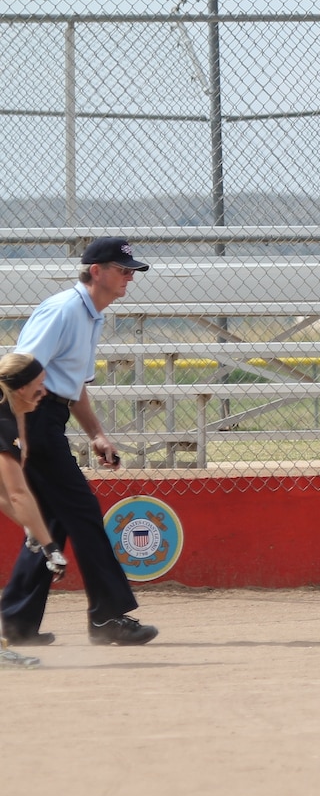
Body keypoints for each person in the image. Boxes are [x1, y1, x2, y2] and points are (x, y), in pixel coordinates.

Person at [1, 237, 157, 648]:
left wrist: (97, 434)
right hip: (31, 416)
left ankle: (16, 620)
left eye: (131, 272)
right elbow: (17, 373)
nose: (129, 278)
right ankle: (106, 620)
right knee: (83, 512)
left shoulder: (92, 316)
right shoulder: (64, 310)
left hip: (48, 416)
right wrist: (20, 432)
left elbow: (73, 387)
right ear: (95, 271)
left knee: (52, 519)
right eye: (123, 270)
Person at [0, 353, 69, 668]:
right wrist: (50, 546)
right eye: (39, 386)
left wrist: (31, 529)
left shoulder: (7, 408)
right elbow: (16, 492)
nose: (44, 392)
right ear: (19, 388)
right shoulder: (2, 419)